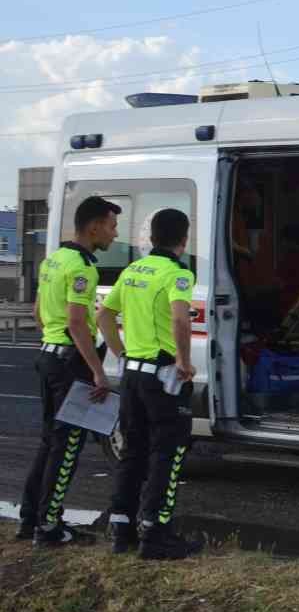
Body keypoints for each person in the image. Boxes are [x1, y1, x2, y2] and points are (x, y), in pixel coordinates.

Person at [96, 208, 203, 560]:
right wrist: (184, 362)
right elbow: (179, 318)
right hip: (162, 375)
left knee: (132, 451)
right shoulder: (178, 273)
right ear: (183, 239)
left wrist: (121, 352)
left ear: (151, 237)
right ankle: (156, 533)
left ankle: (121, 529)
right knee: (167, 452)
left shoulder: (132, 270)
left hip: (132, 375)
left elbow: (104, 315)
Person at [18, 195, 122, 546]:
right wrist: (98, 371)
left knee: (50, 443)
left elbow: (38, 313)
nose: (114, 233)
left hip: (49, 356)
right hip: (71, 364)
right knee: (68, 447)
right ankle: (49, 528)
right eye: (111, 225)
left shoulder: (54, 260)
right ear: (94, 227)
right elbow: (78, 324)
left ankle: (30, 519)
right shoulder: (82, 266)